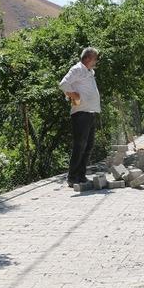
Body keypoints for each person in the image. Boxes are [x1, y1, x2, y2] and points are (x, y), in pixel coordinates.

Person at [59, 47, 101, 187]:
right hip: (81, 113)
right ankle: (72, 177)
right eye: (95, 59)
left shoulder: (89, 71)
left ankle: (81, 176)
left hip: (90, 112)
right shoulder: (77, 69)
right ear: (88, 58)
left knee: (88, 145)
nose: (96, 62)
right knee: (80, 145)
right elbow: (63, 84)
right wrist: (73, 95)